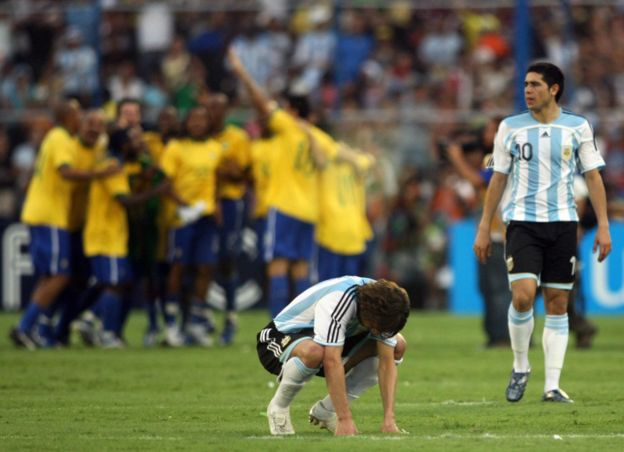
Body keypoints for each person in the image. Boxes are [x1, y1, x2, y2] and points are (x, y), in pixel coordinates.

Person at [473, 62, 612, 403]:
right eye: (525, 85)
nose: (527, 90)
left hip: (564, 225)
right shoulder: (510, 127)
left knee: (558, 303)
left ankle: (552, 385)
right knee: (522, 295)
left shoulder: (578, 127)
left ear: (554, 89)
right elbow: (499, 177)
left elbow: (593, 176)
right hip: (521, 222)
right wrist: (483, 225)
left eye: (535, 84)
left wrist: (604, 225)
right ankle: (521, 366)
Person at [227, 48, 337, 317]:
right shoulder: (319, 137)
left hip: (285, 207)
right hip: (308, 211)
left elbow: (261, 103)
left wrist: (242, 72)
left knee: (277, 265)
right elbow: (326, 161)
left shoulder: (288, 128)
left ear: (290, 109)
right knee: (300, 268)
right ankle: (303, 324)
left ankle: (278, 326)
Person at [9, 100, 119, 349]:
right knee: (60, 275)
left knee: (52, 274)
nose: (80, 118)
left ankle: (32, 327)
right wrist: (101, 174)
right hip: (50, 215)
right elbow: (65, 171)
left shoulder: (67, 141)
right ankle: (24, 326)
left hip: (47, 215)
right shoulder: (60, 138)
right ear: (67, 117)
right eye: (78, 114)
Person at [256, 276, 410, 436]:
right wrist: (344, 418)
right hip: (280, 337)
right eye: (378, 328)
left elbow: (386, 363)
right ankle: (279, 407)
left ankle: (326, 410)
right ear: (369, 314)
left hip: (330, 344)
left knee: (397, 346)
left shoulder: (385, 305)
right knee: (314, 352)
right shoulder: (338, 301)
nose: (379, 332)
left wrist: (389, 420)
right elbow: (331, 361)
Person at [160, 106, 224, 347]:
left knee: (205, 268)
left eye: (202, 119)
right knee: (178, 268)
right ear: (186, 123)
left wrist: (216, 203)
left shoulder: (215, 148)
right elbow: (165, 184)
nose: (197, 124)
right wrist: (184, 206)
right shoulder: (175, 148)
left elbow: (216, 179)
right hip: (183, 218)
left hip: (206, 217)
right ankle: (171, 325)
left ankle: (196, 323)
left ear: (209, 123)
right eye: (193, 119)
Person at [446, 118, 510, 347]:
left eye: (490, 130)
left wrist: (456, 157)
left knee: (499, 289)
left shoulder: (501, 156)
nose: (484, 134)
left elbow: (478, 182)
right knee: (490, 288)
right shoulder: (492, 157)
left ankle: (502, 337)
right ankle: (497, 335)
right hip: (494, 232)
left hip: (501, 234)